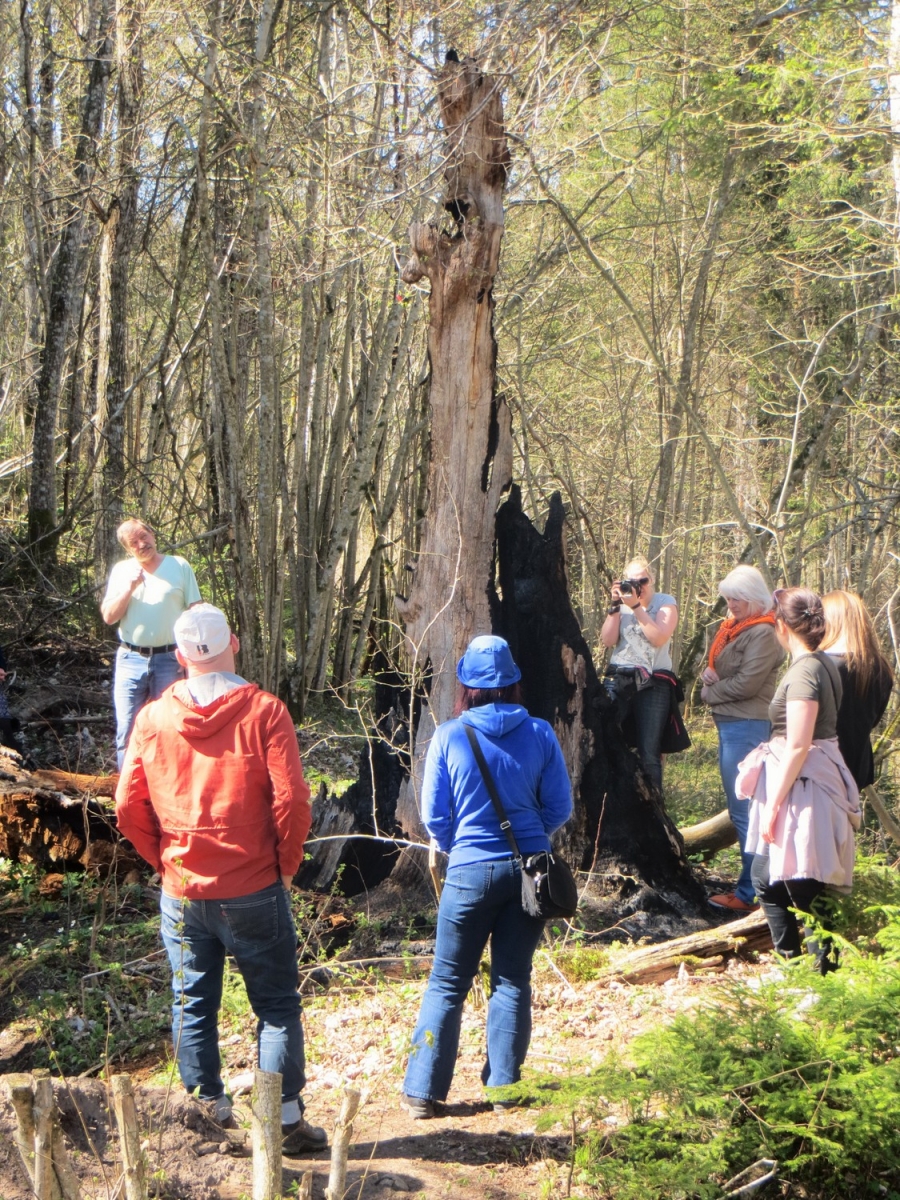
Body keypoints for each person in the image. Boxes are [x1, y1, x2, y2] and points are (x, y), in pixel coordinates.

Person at [115, 603, 326, 1154]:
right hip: (253, 884)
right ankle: (281, 1122)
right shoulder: (265, 711)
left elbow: (127, 804)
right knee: (276, 1006)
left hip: (183, 887)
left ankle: (207, 1114)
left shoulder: (154, 717)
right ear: (234, 642)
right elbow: (292, 800)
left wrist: (160, 858)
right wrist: (284, 863)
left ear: (180, 656)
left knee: (192, 1001)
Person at [401, 635, 573, 1118]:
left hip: (469, 873)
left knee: (447, 983)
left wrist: (466, 846)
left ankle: (421, 1092)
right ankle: (503, 1090)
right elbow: (560, 806)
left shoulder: (451, 736)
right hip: (530, 873)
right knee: (513, 980)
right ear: (513, 683)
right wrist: (532, 836)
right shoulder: (540, 733)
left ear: (467, 687)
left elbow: (434, 817)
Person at [739, 587, 861, 973]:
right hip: (801, 782)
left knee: (802, 884)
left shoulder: (808, 669)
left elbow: (798, 744)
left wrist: (773, 806)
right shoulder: (820, 663)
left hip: (803, 786)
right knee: (768, 878)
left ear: (781, 625)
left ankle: (823, 978)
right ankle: (793, 971)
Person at [700, 566, 785, 913]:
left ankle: (752, 894)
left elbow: (748, 685)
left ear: (755, 598)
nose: (731, 604)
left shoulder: (763, 632)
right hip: (733, 722)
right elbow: (727, 672)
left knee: (746, 813)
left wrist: (709, 691)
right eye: (728, 598)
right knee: (744, 812)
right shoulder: (734, 630)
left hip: (747, 724)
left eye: (737, 598)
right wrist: (711, 675)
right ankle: (756, 890)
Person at [101, 518, 201, 769]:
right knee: (127, 729)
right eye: (134, 542)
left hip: (170, 659)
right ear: (128, 549)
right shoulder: (122, 571)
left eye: (144, 536)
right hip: (130, 660)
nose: (142, 544)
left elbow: (195, 611)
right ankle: (129, 793)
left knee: (171, 726)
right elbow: (109, 616)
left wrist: (194, 656)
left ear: (152, 534)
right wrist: (129, 587)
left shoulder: (179, 566)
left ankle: (169, 790)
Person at [600, 556, 679, 790]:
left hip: (654, 681)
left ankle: (654, 811)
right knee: (607, 738)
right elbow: (608, 640)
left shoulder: (665, 602)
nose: (637, 587)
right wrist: (615, 605)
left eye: (642, 581)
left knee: (649, 751)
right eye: (630, 581)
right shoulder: (621, 605)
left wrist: (636, 606)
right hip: (621, 677)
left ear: (651, 580)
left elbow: (658, 638)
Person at [819, 590, 894, 791]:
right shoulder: (880, 667)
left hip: (822, 769)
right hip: (856, 767)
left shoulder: (824, 666)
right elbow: (874, 719)